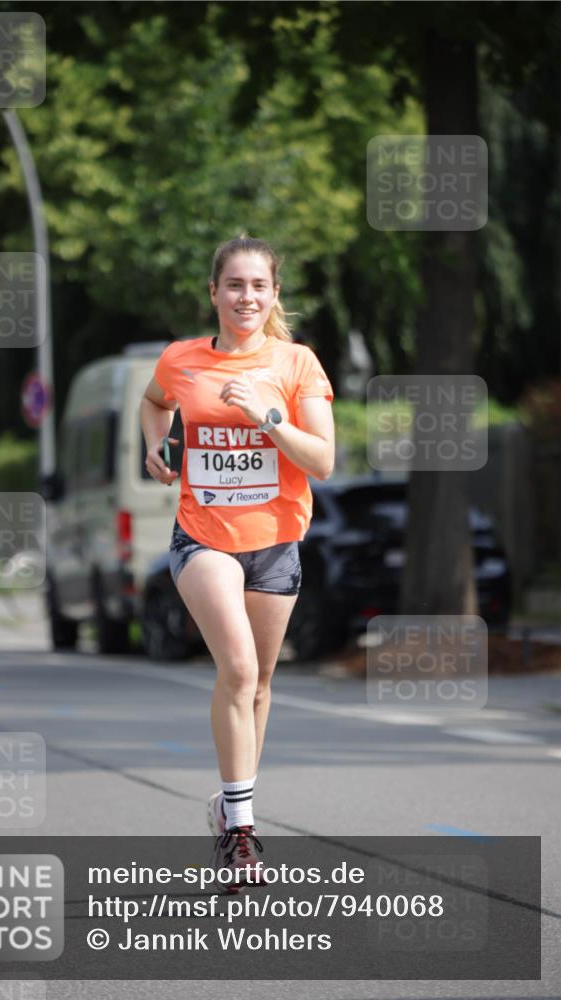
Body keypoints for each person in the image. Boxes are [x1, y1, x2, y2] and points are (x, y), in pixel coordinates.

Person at [139, 236, 334, 886]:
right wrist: (156, 446)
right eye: (233, 285)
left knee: (259, 685)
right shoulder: (181, 359)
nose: (245, 296)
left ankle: (228, 805)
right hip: (204, 537)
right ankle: (242, 834)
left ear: (273, 294)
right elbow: (153, 402)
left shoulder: (296, 363)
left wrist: (269, 418)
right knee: (239, 667)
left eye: (258, 286)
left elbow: (322, 461)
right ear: (213, 293)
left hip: (276, 541)